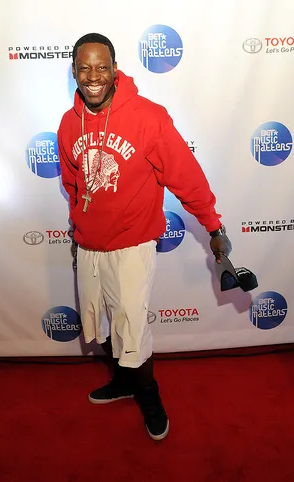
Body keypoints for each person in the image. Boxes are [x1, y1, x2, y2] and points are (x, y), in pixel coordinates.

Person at [58, 32, 232, 441]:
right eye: (85, 68)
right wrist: (79, 226)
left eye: (102, 67)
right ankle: (122, 380)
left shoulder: (149, 117)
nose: (93, 76)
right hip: (89, 245)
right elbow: (72, 183)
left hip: (132, 246)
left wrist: (213, 226)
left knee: (132, 327)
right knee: (99, 322)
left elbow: (186, 177)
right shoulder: (68, 124)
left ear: (116, 69)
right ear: (74, 73)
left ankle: (148, 394)